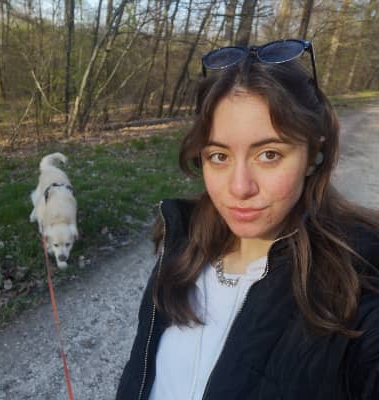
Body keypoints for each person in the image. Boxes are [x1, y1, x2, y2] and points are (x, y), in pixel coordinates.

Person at [116, 39, 379, 400]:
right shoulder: (181, 247)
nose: (239, 188)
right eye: (219, 156)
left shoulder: (358, 284)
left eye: (269, 154)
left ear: (313, 154)